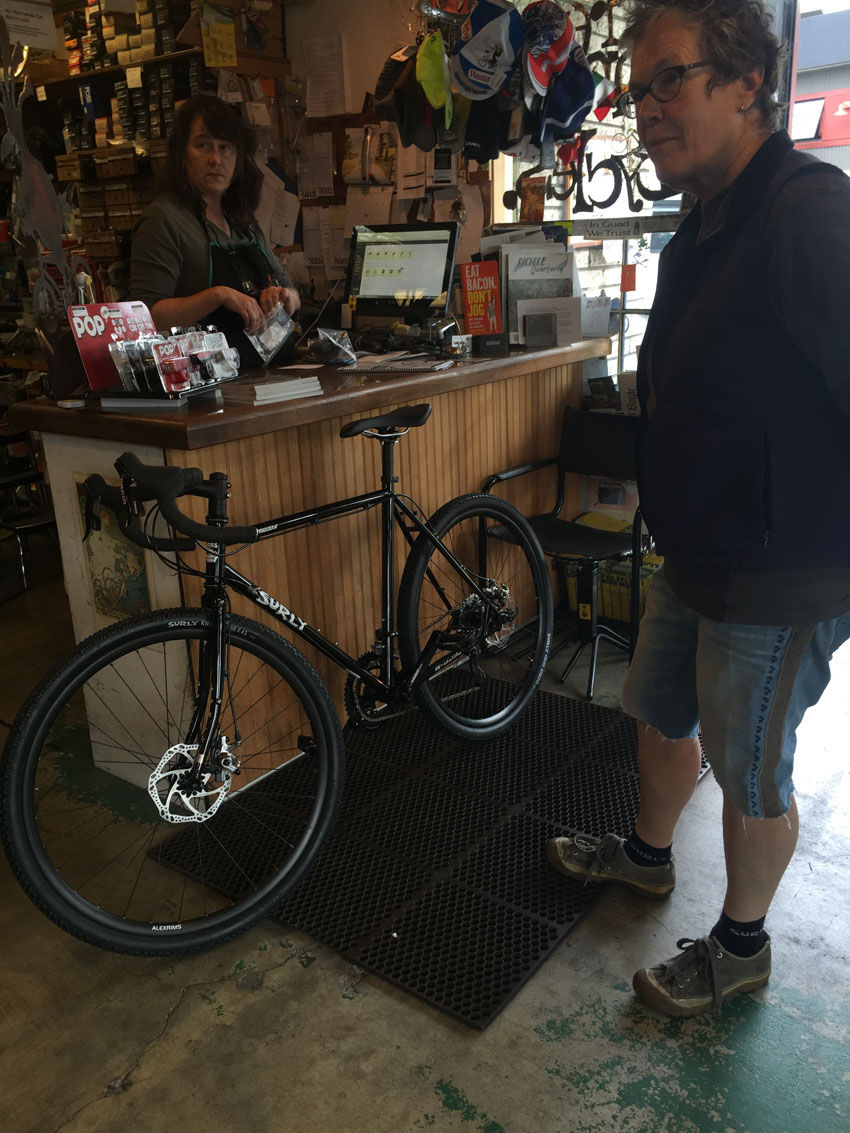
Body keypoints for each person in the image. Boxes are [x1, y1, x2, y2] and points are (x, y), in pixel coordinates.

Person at [546, 0, 850, 1018]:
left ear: (745, 82)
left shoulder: (807, 210)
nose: (648, 108)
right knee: (655, 711)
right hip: (697, 545)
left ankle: (742, 942)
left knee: (748, 762)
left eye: (669, 79)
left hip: (783, 562)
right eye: (639, 90)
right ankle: (644, 855)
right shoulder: (708, 218)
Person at [130, 94, 300, 369]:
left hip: (273, 377)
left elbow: (291, 291)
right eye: (202, 145)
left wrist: (285, 298)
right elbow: (145, 316)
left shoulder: (242, 221)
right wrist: (217, 295)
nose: (215, 159)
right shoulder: (164, 219)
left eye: (225, 147)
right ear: (182, 155)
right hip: (218, 390)